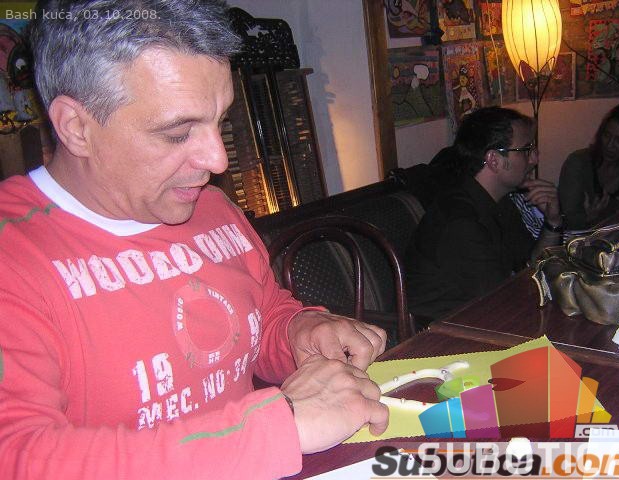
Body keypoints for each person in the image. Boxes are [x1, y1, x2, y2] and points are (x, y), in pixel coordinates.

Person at [0, 1, 390, 479]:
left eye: (219, 120)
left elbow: (264, 316)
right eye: (177, 133)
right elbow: (17, 458)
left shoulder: (211, 208)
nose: (217, 160)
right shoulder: (12, 254)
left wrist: (299, 333)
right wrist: (280, 427)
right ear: (76, 127)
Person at [405, 107, 563, 324]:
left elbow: (533, 266)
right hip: (447, 332)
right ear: (494, 160)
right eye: (526, 149)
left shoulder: (499, 201)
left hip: (486, 317)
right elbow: (506, 301)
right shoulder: (461, 222)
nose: (535, 158)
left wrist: (553, 222)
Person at [558, 103, 619, 230]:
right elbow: (566, 221)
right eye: (607, 135)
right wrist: (589, 218)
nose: (610, 145)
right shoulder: (578, 163)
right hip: (578, 237)